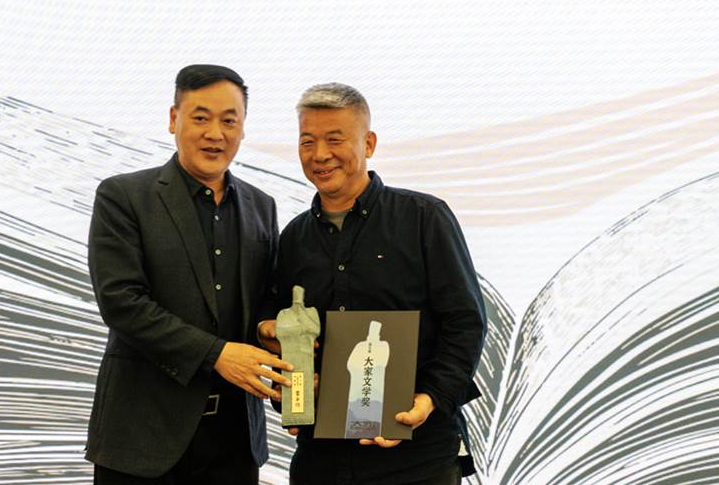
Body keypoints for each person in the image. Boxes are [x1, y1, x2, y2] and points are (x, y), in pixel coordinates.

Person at [261, 83, 486, 485]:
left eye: (335, 139)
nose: (320, 154)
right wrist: (291, 387)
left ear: (369, 143)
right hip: (321, 458)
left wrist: (429, 398)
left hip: (417, 453)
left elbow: (465, 322)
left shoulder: (423, 217)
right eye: (307, 141)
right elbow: (286, 335)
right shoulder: (294, 238)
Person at [86, 64, 292, 484]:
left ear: (243, 128)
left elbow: (265, 298)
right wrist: (217, 354)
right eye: (201, 118)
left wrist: (268, 327)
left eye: (229, 121)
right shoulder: (123, 196)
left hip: (235, 441)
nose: (215, 133)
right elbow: (122, 302)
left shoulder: (262, 206)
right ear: (173, 119)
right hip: (142, 439)